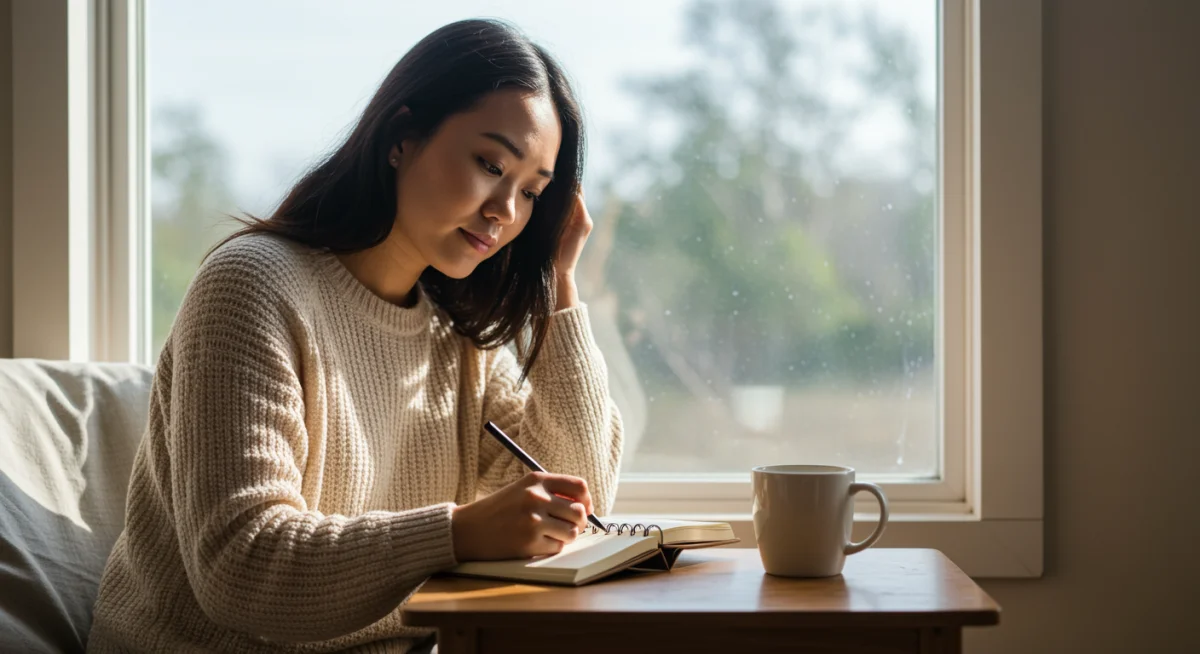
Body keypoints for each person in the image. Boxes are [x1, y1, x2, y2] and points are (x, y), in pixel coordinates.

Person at [88, 18, 623, 653]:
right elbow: (241, 565)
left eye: (532, 192)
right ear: (402, 136)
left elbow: (580, 494)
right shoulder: (253, 285)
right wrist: (458, 533)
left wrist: (559, 284)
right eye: (489, 164)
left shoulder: (456, 337)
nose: (505, 211)